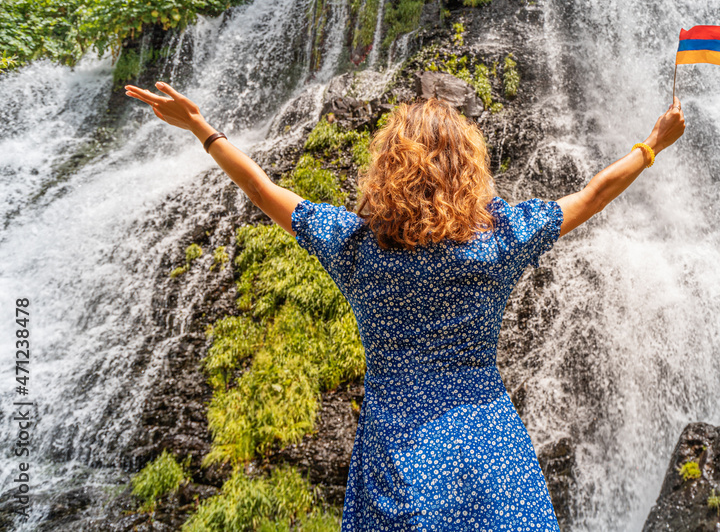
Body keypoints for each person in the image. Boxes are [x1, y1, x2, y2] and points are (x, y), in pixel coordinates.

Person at [124, 81, 686, 530]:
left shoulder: (352, 245)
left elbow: (262, 189)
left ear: (386, 169)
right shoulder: (502, 239)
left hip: (398, 449)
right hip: (491, 449)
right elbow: (594, 193)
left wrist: (202, 128)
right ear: (469, 166)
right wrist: (651, 146)